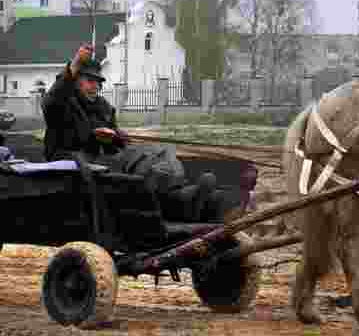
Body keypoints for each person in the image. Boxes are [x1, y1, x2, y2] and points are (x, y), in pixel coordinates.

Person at [41, 44, 225, 222]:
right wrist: (74, 65)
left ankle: (183, 194)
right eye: (89, 81)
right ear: (75, 81)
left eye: (98, 82)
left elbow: (116, 141)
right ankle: (182, 199)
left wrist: (116, 137)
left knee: (163, 150)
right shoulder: (63, 103)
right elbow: (52, 99)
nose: (95, 86)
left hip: (105, 156)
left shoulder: (103, 106)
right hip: (78, 159)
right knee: (139, 160)